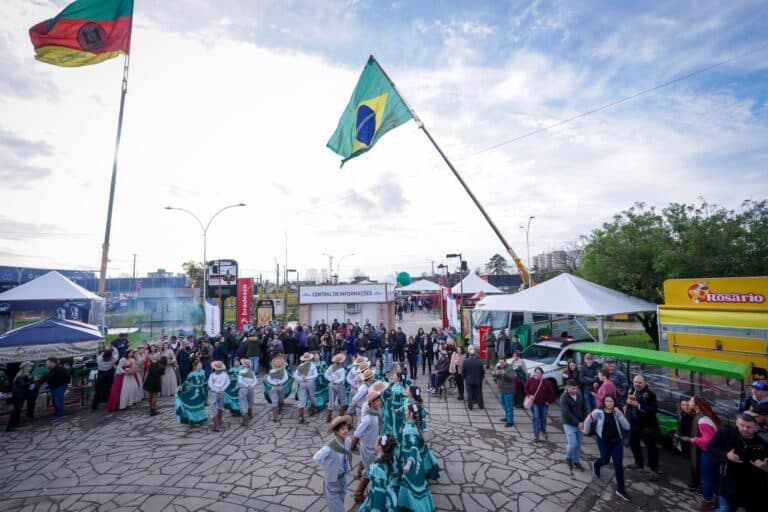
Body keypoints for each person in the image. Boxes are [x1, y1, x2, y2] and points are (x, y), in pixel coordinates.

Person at [708, 413, 768, 512]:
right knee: (726, 509)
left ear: (756, 428)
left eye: (749, 427)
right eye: (741, 425)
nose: (744, 429)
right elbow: (711, 447)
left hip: (751, 490)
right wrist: (726, 455)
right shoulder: (725, 433)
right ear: (736, 422)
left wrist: (766, 468)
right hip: (728, 485)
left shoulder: (763, 444)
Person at [584, 395, 632, 502]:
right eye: (607, 401)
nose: (609, 403)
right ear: (604, 402)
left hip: (617, 442)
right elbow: (588, 420)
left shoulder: (617, 412)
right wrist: (586, 432)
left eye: (611, 401)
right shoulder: (598, 412)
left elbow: (627, 426)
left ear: (614, 402)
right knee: (605, 460)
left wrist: (620, 415)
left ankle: (620, 489)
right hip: (603, 441)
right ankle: (597, 464)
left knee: (618, 464)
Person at [677, 397, 721, 510]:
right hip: (716, 453)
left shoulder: (702, 420)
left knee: (707, 478)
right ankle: (716, 499)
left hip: (709, 453)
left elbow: (708, 440)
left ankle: (706, 502)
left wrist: (692, 440)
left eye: (691, 401)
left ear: (697, 405)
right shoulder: (706, 416)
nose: (688, 403)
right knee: (715, 477)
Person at [397, 403, 436, 512]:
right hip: (414, 460)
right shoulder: (413, 424)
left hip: (411, 462)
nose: (405, 412)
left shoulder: (410, 429)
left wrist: (408, 464)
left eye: (406, 411)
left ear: (410, 414)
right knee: (411, 485)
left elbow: (414, 448)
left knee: (412, 486)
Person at [313, 415, 353, 512]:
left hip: (342, 479)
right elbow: (316, 458)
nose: (346, 431)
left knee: (339, 505)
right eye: (343, 429)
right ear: (336, 431)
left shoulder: (347, 441)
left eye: (346, 428)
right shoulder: (329, 448)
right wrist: (328, 467)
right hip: (332, 482)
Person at [625, 374, 660, 481]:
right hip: (634, 423)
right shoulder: (631, 390)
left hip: (648, 425)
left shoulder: (651, 394)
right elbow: (627, 400)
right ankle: (639, 463)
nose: (637, 384)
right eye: (636, 382)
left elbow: (654, 410)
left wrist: (638, 405)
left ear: (644, 383)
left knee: (651, 448)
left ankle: (653, 470)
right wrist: (627, 404)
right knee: (632, 442)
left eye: (640, 382)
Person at [351, 388, 383, 503]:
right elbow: (357, 434)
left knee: (368, 467)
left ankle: (360, 471)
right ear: (372, 403)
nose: (379, 403)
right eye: (378, 401)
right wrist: (351, 447)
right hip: (369, 449)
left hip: (373, 446)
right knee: (370, 473)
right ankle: (358, 495)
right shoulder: (368, 418)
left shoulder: (374, 413)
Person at [358, 435, 398, 512]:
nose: (374, 444)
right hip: (389, 495)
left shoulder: (377, 469)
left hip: (380, 500)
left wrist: (376, 509)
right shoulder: (390, 459)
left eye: (376, 442)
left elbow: (379, 492)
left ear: (379, 447)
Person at [561, 379, 588, 470]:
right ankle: (568, 457)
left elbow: (584, 408)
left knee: (579, 444)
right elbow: (566, 412)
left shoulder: (579, 395)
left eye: (576, 388)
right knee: (573, 444)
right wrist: (578, 423)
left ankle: (576, 461)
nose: (575, 391)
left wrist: (584, 421)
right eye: (573, 389)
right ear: (567, 388)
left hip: (580, 423)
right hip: (569, 424)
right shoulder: (564, 397)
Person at [525, 367, 555, 441]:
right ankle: (536, 434)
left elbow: (551, 392)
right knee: (536, 417)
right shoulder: (531, 380)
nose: (537, 374)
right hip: (535, 403)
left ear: (542, 374)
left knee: (543, 418)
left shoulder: (546, 382)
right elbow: (525, 388)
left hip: (544, 403)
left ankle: (543, 430)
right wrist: (529, 395)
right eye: (536, 372)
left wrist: (549, 401)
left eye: (539, 373)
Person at [175, 360, 208, 425]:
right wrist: (180, 387)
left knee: (200, 405)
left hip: (201, 391)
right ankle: (193, 419)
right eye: (199, 364)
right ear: (196, 366)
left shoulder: (203, 372)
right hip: (194, 391)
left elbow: (205, 381)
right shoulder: (192, 374)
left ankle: (200, 418)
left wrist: (206, 388)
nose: (201, 365)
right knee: (193, 404)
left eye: (201, 364)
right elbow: (186, 382)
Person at [6, 361, 33, 431]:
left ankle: (15, 423)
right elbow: (23, 385)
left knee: (18, 409)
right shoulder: (21, 375)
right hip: (18, 395)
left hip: (20, 394)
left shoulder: (24, 374)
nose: (31, 367)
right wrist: (31, 380)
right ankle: (10, 426)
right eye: (29, 366)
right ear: (25, 367)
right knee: (15, 410)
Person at [294, 352, 318, 424]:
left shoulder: (300, 365)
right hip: (310, 383)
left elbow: (295, 375)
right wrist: (307, 378)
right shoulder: (312, 365)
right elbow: (316, 375)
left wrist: (302, 379)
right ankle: (312, 410)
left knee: (302, 399)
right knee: (311, 397)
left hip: (303, 383)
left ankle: (301, 416)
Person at [325, 353, 348, 423]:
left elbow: (325, 374)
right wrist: (336, 381)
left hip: (331, 384)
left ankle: (328, 417)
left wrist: (331, 380)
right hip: (339, 386)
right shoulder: (342, 369)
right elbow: (342, 379)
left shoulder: (330, 367)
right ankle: (341, 418)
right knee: (342, 400)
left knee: (331, 400)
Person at [266, 355, 289, 422]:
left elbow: (286, 378)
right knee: (274, 401)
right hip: (274, 387)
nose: (278, 363)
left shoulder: (283, 370)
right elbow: (268, 379)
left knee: (281, 399)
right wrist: (275, 383)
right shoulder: (271, 371)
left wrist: (280, 382)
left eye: (279, 362)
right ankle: (275, 416)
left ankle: (280, 409)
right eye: (277, 362)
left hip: (281, 386)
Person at [494, 357, 516, 427]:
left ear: (505, 362)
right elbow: (493, 375)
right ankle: (507, 417)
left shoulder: (509, 368)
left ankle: (510, 421)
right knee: (504, 405)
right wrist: (496, 374)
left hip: (508, 391)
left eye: (502, 362)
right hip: (501, 390)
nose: (501, 364)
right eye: (500, 362)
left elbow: (512, 377)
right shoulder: (498, 367)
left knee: (509, 406)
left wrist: (505, 373)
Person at [208, 361, 229, 431]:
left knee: (213, 407)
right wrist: (222, 388)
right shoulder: (225, 374)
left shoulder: (212, 375)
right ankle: (219, 420)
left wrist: (216, 389)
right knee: (220, 406)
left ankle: (216, 424)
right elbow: (228, 382)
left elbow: (210, 384)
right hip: (222, 392)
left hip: (214, 392)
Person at [463, 346, 485, 410]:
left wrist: (465, 377)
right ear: (475, 354)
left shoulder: (465, 361)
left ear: (469, 354)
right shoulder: (479, 362)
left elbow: (463, 371)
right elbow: (482, 372)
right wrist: (481, 378)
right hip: (478, 380)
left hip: (469, 380)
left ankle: (470, 407)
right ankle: (480, 406)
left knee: (469, 394)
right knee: (479, 393)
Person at [237, 358, 257, 427]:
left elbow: (240, 382)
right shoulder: (252, 372)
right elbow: (255, 381)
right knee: (250, 401)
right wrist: (251, 386)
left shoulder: (241, 372)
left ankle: (245, 420)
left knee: (243, 403)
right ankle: (250, 414)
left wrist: (246, 385)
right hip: (251, 389)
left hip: (243, 389)